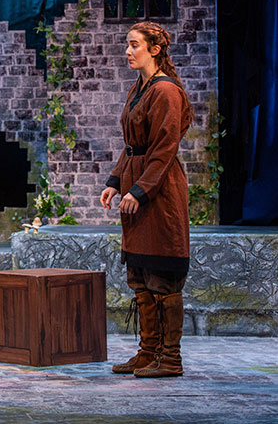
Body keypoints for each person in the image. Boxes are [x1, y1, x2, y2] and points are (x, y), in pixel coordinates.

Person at [100, 22, 193, 378]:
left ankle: (170, 358)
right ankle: (147, 351)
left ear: (154, 49)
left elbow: (164, 148)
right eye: (128, 44)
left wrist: (139, 190)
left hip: (160, 192)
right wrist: (114, 181)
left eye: (134, 44)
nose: (128, 50)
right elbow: (133, 146)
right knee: (139, 277)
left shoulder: (166, 91)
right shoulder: (139, 88)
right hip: (139, 187)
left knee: (163, 277)